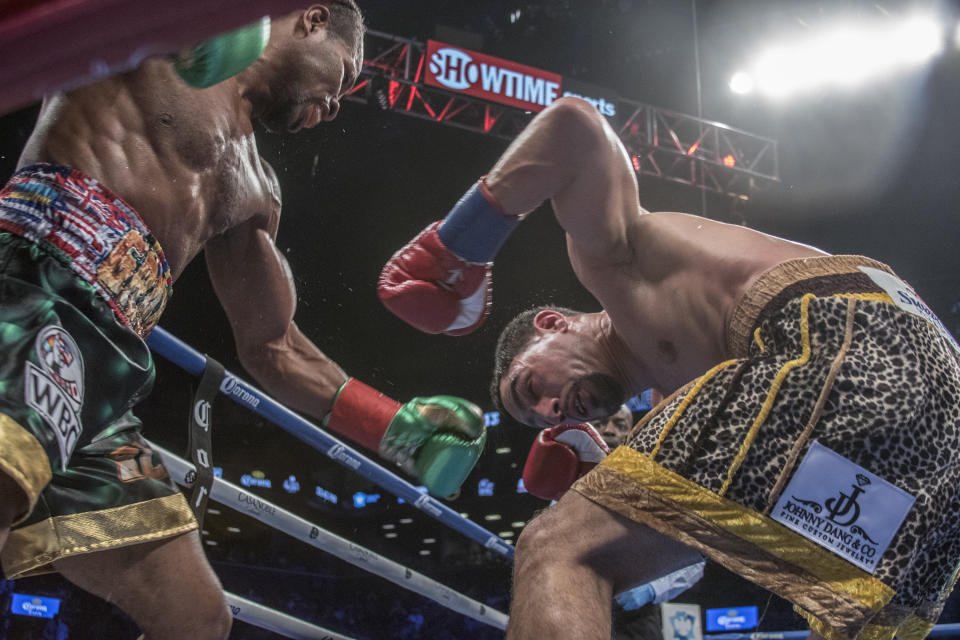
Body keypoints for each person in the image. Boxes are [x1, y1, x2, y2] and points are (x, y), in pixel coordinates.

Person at [376, 96, 960, 640]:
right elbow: (701, 516)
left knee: (558, 549)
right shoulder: (702, 407)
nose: (552, 410)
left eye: (533, 387)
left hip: (848, 334)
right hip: (936, 415)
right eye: (541, 420)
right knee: (855, 607)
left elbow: (574, 128)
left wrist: (459, 249)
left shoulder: (615, 264)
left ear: (553, 325)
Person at [0, 4, 487, 638]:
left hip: (107, 374)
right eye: (343, 75)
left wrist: (398, 430)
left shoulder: (257, 187)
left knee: (196, 617)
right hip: (34, 287)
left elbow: (273, 346)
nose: (336, 104)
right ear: (310, 20)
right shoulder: (163, 32)